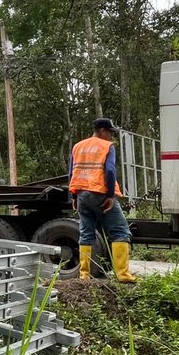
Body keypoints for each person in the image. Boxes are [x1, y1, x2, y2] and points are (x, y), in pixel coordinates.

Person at [68, 117, 136, 283]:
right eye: (110, 133)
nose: (112, 137)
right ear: (103, 131)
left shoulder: (78, 146)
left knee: (86, 233)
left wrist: (74, 196)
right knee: (121, 231)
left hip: (82, 194)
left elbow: (71, 173)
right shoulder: (107, 146)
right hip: (100, 193)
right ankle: (123, 275)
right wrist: (111, 196)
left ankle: (84, 274)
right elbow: (110, 171)